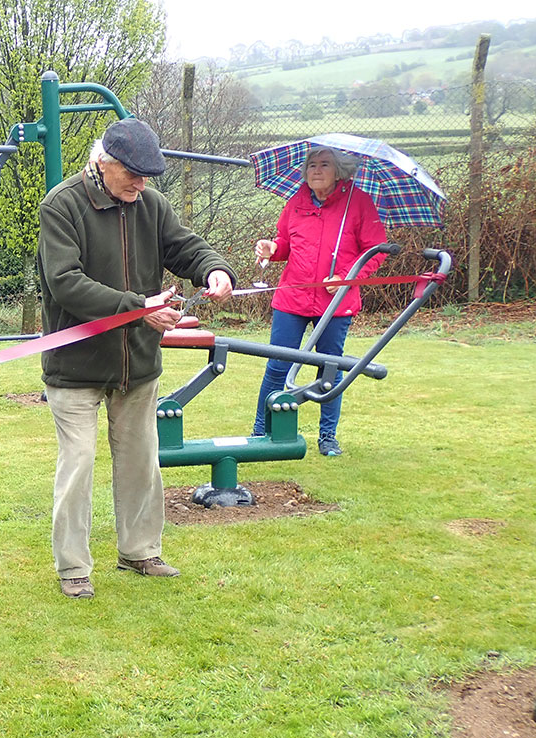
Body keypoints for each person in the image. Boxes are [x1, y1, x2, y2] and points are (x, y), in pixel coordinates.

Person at [37, 117, 235, 599]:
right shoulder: (61, 206)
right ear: (104, 162)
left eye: (149, 176)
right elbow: (66, 283)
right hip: (75, 366)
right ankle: (73, 569)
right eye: (134, 174)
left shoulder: (150, 203)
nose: (142, 185)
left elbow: (185, 247)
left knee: (142, 461)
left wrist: (214, 270)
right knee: (78, 463)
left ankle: (140, 551)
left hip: (138, 365)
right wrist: (136, 308)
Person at [251, 145, 387, 457]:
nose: (315, 170)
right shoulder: (297, 200)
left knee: (330, 368)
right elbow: (286, 242)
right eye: (311, 164)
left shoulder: (359, 202)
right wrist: (273, 248)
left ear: (339, 171)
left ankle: (327, 437)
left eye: (324, 164)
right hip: (292, 298)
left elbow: (376, 251)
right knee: (277, 364)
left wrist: (346, 279)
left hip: (336, 303)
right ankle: (261, 431)